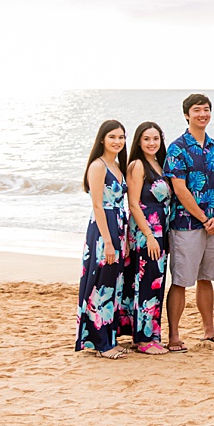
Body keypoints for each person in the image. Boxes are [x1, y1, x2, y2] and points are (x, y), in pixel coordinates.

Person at [164, 93, 214, 350]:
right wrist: (203, 218)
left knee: (206, 278)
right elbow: (179, 188)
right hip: (186, 224)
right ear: (186, 115)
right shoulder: (177, 147)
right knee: (181, 280)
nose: (202, 114)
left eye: (206, 109)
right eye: (197, 110)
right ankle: (174, 335)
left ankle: (209, 329)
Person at [75, 120, 129, 359]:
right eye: (112, 137)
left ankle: (109, 339)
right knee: (101, 283)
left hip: (119, 225)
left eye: (121, 137)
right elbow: (97, 205)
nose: (117, 141)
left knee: (114, 285)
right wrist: (107, 241)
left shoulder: (117, 165)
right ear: (102, 140)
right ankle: (99, 343)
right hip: (103, 228)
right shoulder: (98, 166)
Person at [125, 121, 171, 355]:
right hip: (147, 231)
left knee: (156, 282)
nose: (152, 143)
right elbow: (133, 204)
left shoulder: (160, 164)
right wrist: (149, 236)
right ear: (139, 142)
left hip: (162, 230)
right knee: (146, 281)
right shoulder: (137, 165)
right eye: (147, 139)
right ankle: (143, 340)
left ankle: (151, 335)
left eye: (156, 139)